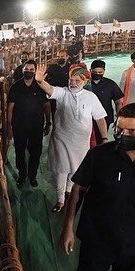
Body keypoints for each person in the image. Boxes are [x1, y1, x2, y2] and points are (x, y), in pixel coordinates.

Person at [60, 103, 135, 271]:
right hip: (98, 239)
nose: (122, 135)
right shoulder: (99, 155)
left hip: (131, 245)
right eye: (119, 130)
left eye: (130, 132)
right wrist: (68, 228)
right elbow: (78, 189)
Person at [34, 63, 108, 212]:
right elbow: (49, 89)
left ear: (85, 81)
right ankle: (60, 200)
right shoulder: (63, 93)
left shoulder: (91, 97)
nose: (73, 83)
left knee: (75, 169)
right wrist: (40, 81)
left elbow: (100, 119)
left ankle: (68, 190)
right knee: (61, 169)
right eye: (71, 80)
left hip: (81, 143)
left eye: (77, 81)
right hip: (61, 139)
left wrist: (105, 138)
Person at [7, 60, 51, 188]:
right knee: (19, 151)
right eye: (27, 69)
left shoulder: (40, 86)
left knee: (35, 152)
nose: (29, 71)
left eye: (32, 69)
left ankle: (32, 176)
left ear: (35, 71)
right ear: (22, 69)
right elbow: (9, 108)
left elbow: (46, 105)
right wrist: (9, 127)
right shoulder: (15, 87)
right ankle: (22, 175)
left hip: (36, 127)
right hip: (19, 126)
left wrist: (48, 123)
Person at [90, 59, 124, 144]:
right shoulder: (85, 84)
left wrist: (119, 118)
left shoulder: (110, 84)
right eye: (95, 72)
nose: (97, 74)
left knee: (101, 139)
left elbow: (118, 102)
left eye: (100, 72)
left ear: (104, 71)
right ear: (90, 70)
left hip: (106, 117)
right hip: (88, 117)